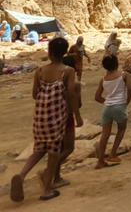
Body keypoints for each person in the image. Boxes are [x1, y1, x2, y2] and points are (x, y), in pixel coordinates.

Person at [10, 37, 76, 202]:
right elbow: (70, 94)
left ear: (49, 52)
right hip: (57, 118)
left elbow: (34, 94)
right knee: (54, 154)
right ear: (65, 53)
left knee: (38, 150)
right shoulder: (67, 71)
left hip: (40, 118)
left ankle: (21, 174)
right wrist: (74, 114)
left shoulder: (39, 71)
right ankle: (46, 189)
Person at [94, 54, 131, 168]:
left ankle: (100, 161)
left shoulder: (103, 79)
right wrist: (126, 102)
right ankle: (113, 153)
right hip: (120, 106)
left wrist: (106, 102)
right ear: (117, 64)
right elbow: (130, 89)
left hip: (107, 108)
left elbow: (97, 97)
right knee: (121, 129)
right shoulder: (124, 75)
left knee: (104, 134)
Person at [55, 53, 83, 187]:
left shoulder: (56, 82)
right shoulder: (75, 84)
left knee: (59, 149)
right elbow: (77, 102)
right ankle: (48, 171)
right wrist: (78, 116)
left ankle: (56, 177)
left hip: (56, 116)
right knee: (69, 148)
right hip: (68, 117)